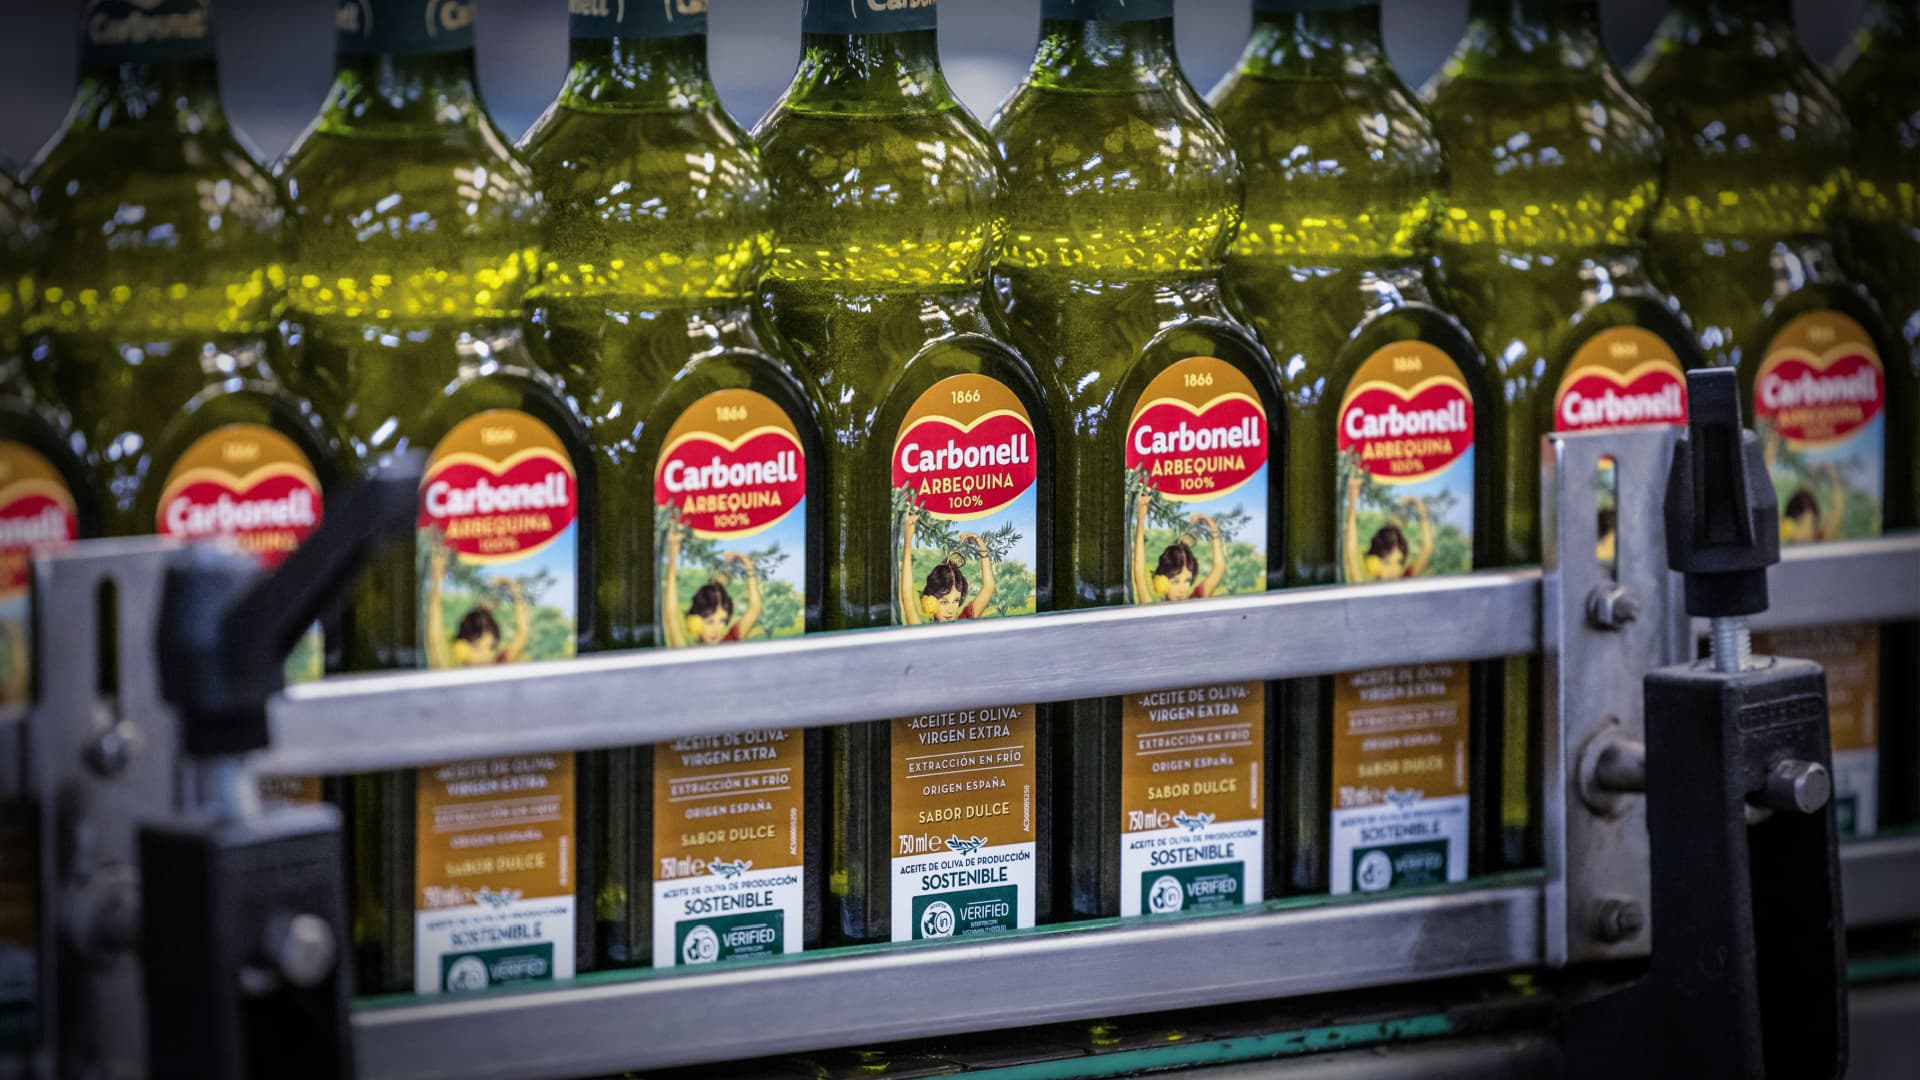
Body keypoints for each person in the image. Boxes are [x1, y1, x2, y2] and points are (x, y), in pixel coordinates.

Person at [424, 544, 532, 668]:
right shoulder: (451, 670)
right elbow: (434, 637)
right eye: (476, 648)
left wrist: (514, 587)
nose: (485, 656)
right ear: (461, 647)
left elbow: (523, 632)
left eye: (490, 647)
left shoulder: (499, 664)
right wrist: (436, 581)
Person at [662, 520, 762, 646]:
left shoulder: (730, 641)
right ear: (696, 620)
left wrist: (746, 562)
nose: (716, 630)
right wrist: (672, 558)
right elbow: (671, 617)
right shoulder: (686, 650)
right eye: (710, 621)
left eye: (722, 621)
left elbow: (754, 608)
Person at [899, 509, 995, 623]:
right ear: (930, 600)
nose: (951, 610)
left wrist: (981, 545)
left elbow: (989, 587)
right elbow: (906, 594)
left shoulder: (964, 619)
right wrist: (908, 539)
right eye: (944, 602)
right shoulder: (923, 630)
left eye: (956, 600)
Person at [1131, 490, 1226, 604]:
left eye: (1187, 581)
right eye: (1175, 581)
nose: (1182, 590)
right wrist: (1141, 519)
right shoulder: (1154, 609)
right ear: (1162, 580)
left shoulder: (1196, 599)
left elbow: (1219, 567)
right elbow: (1139, 573)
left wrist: (1209, 523)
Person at [1342, 471, 1433, 582]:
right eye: (1386, 562)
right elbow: (1351, 552)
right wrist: (1352, 503)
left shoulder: (1405, 580)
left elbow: (1427, 548)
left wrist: (1421, 509)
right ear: (1373, 564)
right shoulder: (1364, 587)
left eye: (1399, 562)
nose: (1393, 571)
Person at [1781, 463, 1847, 544]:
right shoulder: (1787, 531)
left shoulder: (1818, 537)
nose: (1806, 532)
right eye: (1801, 522)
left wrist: (1834, 478)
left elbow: (1836, 512)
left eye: (1811, 524)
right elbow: (1836, 512)